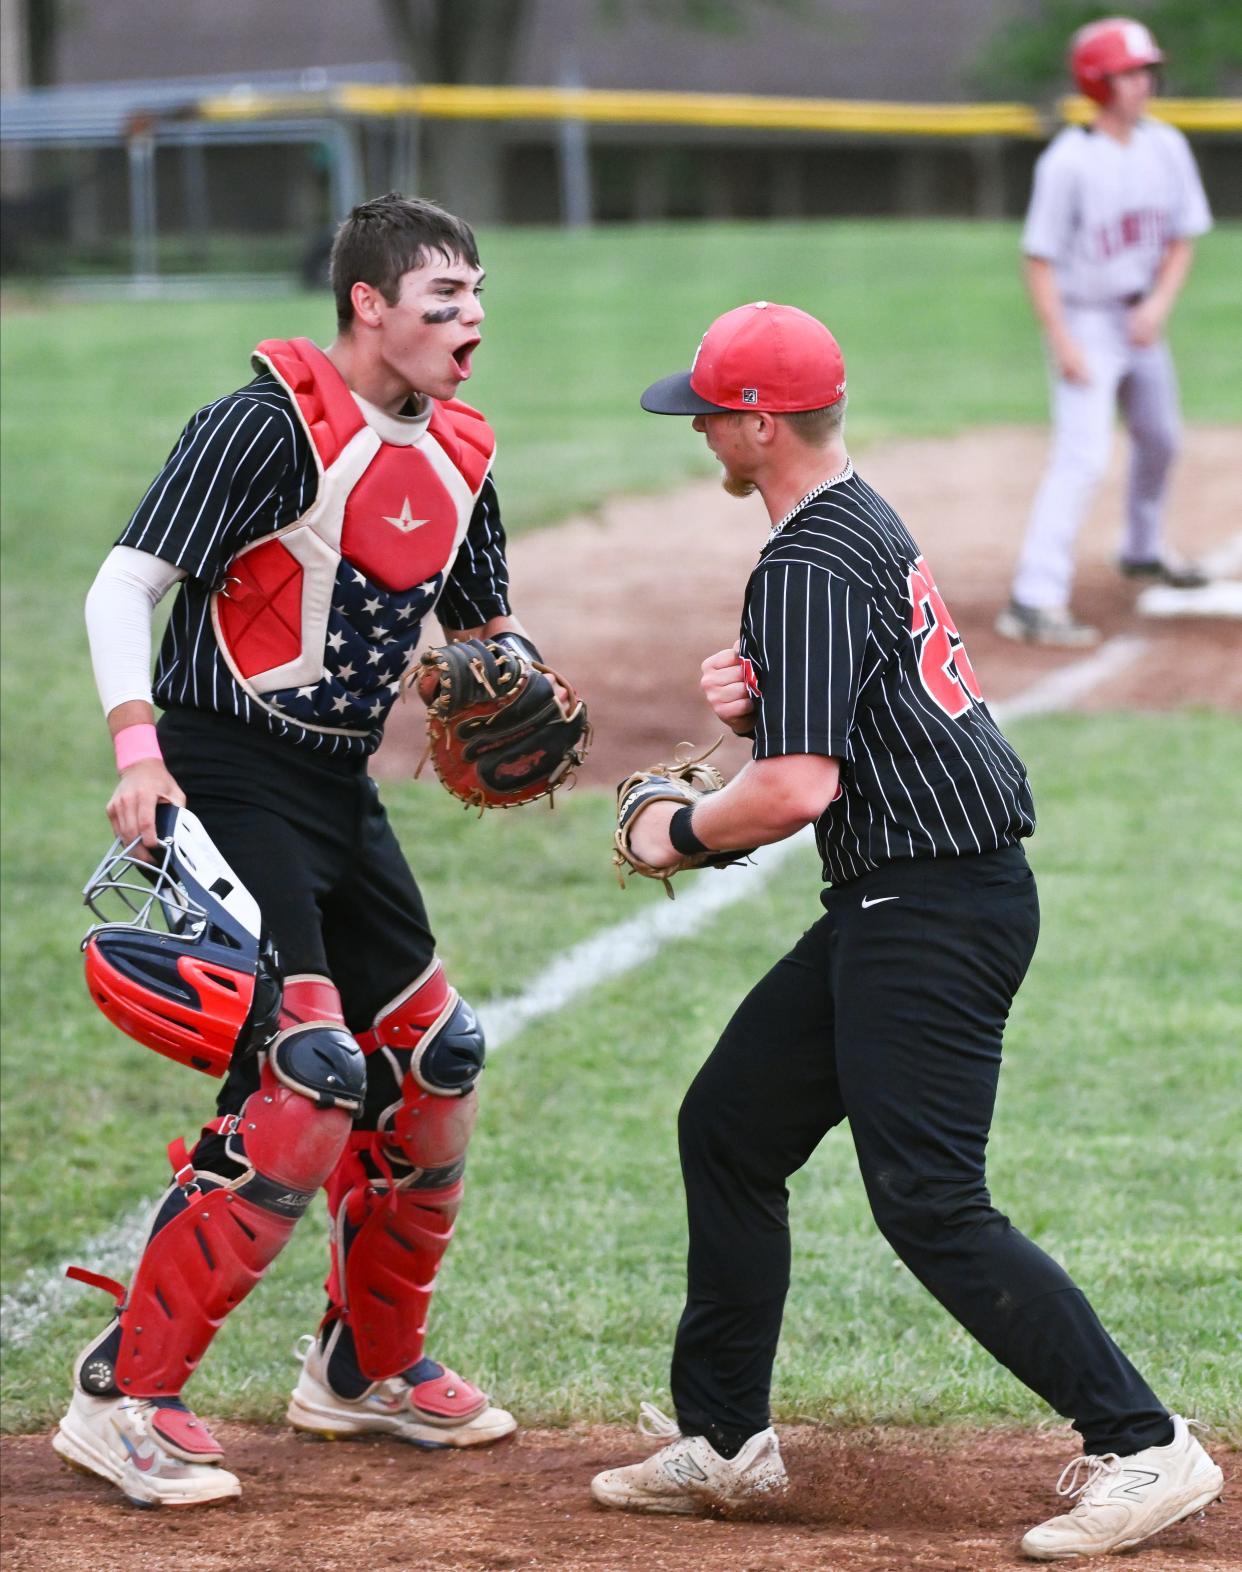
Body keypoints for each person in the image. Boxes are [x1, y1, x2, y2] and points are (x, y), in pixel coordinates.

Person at [590, 301, 1223, 1559]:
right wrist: (766, 683)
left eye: (713, 410)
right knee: (728, 1127)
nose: (701, 427)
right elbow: (847, 701)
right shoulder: (851, 519)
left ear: (762, 424)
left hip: (932, 905)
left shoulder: (808, 559)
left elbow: (794, 790)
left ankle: (1144, 1444)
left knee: (929, 1200)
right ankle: (725, 1440)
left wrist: (675, 829)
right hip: (907, 895)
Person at [54, 193, 562, 1506]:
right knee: (308, 1072)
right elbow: (126, 583)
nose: (472, 321)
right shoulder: (266, 425)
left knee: (437, 1058)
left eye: (479, 293)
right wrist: (138, 751)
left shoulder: (460, 452)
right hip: (224, 773)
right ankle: (124, 1395)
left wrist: (504, 684)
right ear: (367, 307)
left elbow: (477, 633)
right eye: (444, 297)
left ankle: (361, 1369)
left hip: (337, 792)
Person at [997, 16, 1213, 647]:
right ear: (1097, 80)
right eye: (1129, 71)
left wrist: (1158, 308)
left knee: (1161, 438)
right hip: (1085, 320)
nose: (1144, 81)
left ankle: (1144, 550)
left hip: (1141, 318)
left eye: (1147, 70)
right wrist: (1064, 343)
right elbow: (1039, 259)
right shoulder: (1068, 162)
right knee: (1083, 456)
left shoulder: (1165, 146)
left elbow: (1181, 241)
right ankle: (1033, 598)